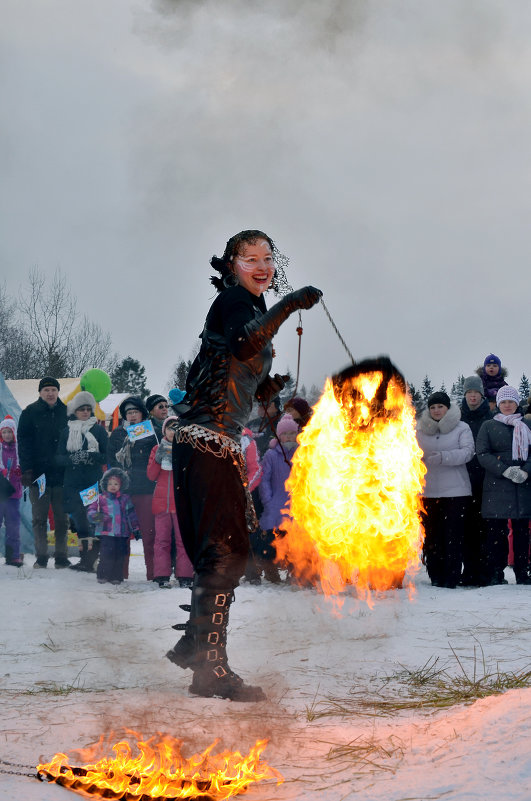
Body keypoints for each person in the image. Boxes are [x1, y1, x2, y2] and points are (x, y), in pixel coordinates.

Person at [166, 228, 321, 701]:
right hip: (208, 440)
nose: (261, 265)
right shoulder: (236, 302)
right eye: (248, 257)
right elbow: (242, 342)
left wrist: (266, 391)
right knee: (225, 552)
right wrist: (290, 304)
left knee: (225, 551)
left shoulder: (248, 305)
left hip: (216, 441)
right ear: (231, 265)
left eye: (267, 258)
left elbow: (229, 368)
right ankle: (207, 667)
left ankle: (198, 651)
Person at [416, 391, 474, 588]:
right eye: (432, 407)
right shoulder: (420, 429)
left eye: (440, 406)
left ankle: (451, 577)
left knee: (453, 536)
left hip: (456, 492)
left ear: (447, 408)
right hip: (428, 491)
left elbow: (467, 453)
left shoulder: (461, 428)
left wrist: (443, 457)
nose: (436, 410)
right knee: (432, 536)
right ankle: (435, 575)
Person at [476, 385, 531, 585]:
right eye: (504, 402)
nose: (507, 405)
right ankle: (495, 573)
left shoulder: (527, 425)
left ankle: (523, 573)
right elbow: (482, 453)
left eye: (511, 402)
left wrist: (526, 470)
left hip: (522, 486)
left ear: (517, 404)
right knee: (496, 534)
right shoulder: (488, 426)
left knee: (522, 533)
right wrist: (504, 470)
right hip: (497, 486)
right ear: (498, 404)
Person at [17, 377, 70, 569]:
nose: (50, 393)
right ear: (40, 392)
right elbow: (23, 444)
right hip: (38, 475)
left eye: (53, 390)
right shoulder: (30, 412)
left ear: (58, 392)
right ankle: (41, 556)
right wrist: (27, 470)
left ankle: (62, 556)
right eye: (46, 390)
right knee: (39, 518)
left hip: (61, 474)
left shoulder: (67, 412)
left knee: (62, 518)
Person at [56, 392, 108, 572]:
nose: (85, 412)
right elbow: (59, 458)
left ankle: (94, 559)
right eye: (81, 409)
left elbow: (106, 456)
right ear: (75, 411)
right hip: (72, 482)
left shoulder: (99, 430)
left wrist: (92, 456)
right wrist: (73, 458)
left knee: (93, 519)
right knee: (78, 522)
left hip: (92, 482)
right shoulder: (66, 430)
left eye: (88, 409)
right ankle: (85, 559)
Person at [108, 396, 157, 580]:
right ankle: (120, 573)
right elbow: (111, 460)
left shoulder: (152, 433)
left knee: (149, 534)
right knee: (121, 535)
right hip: (123, 491)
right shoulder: (118, 434)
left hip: (145, 489)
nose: (132, 415)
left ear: (142, 413)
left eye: (135, 412)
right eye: (129, 413)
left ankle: (153, 574)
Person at [147, 415, 194, 589]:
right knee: (161, 541)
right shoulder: (156, 448)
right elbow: (151, 475)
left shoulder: (187, 449)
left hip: (181, 504)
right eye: (169, 428)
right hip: (161, 504)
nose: (173, 432)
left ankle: (185, 575)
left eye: (176, 428)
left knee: (183, 541)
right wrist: (158, 459)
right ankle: (161, 574)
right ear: (164, 431)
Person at [258, 413, 300, 583]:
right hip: (276, 503)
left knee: (295, 540)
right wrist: (268, 500)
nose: (289, 436)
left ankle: (296, 571)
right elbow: (264, 479)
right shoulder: (271, 455)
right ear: (279, 435)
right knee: (273, 539)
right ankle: (271, 571)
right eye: (285, 433)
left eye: (292, 433)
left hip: (297, 504)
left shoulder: (301, 453)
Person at [459, 375, 492, 586]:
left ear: (481, 394)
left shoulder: (490, 418)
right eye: (469, 392)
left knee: (485, 528)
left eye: (476, 392)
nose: (472, 395)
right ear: (465, 394)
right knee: (466, 528)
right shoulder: (457, 418)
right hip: (462, 480)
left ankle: (484, 572)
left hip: (486, 480)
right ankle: (468, 570)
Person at [87, 467, 140, 585]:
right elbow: (91, 512)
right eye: (110, 483)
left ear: (121, 485)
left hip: (122, 533)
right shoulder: (100, 499)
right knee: (106, 554)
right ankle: (103, 575)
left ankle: (116, 576)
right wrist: (99, 517)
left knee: (120, 555)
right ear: (105, 484)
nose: (113, 486)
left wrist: (135, 528)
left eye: (116, 484)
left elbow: (131, 514)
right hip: (106, 532)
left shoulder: (125, 499)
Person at [0, 416, 23, 566]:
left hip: (13, 494)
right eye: (4, 432)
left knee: (13, 525)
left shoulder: (19, 450)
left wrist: (20, 472)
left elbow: (24, 467)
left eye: (10, 432)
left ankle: (12, 555)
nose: (7, 435)